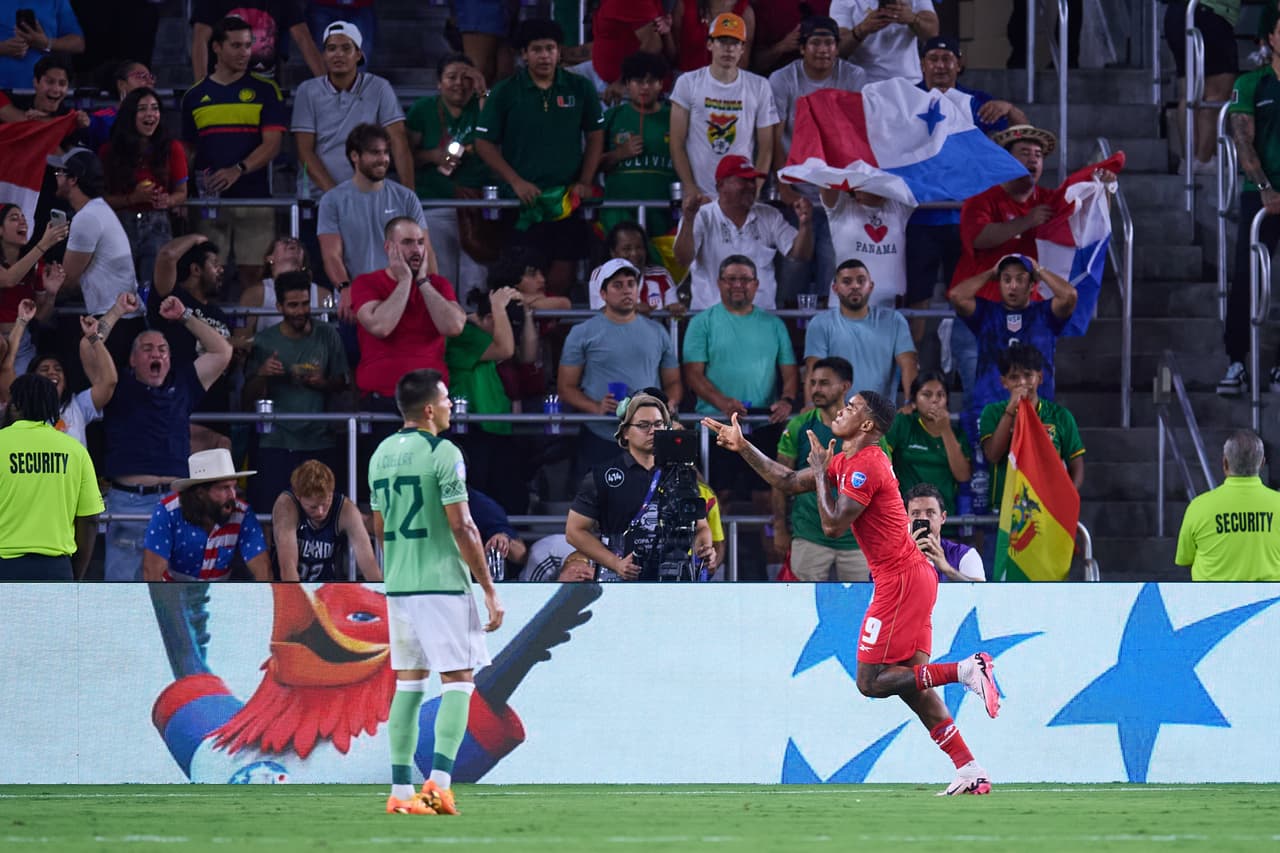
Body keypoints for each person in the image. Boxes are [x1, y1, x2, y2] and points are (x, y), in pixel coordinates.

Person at [704, 389, 1000, 795]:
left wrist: (824, 472)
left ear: (866, 424)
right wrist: (742, 447)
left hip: (899, 580)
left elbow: (832, 526)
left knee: (871, 681)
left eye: (851, 406)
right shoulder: (846, 462)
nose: (841, 409)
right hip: (912, 577)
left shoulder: (867, 464)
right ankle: (969, 768)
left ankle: (966, 670)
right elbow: (788, 481)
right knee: (912, 686)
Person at [369, 368, 503, 817]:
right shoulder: (443, 451)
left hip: (400, 583)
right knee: (459, 682)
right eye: (446, 400)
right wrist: (488, 588)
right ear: (429, 409)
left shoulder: (380, 454)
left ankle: (399, 790)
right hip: (442, 582)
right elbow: (462, 523)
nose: (450, 406)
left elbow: (380, 525)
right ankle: (439, 786)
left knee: (408, 684)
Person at [102, 295, 233, 582]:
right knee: (122, 595)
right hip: (128, 503)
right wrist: (115, 312)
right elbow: (90, 347)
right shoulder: (115, 384)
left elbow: (222, 351)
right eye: (147, 350)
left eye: (162, 350)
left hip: (176, 503)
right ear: (133, 359)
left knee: (179, 595)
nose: (156, 355)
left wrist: (185, 315)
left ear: (170, 359)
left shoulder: (183, 381)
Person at [906, 36, 1026, 344]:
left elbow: (1026, 141)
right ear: (921, 65)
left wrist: (1009, 109)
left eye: (947, 59)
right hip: (919, 218)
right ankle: (912, 367)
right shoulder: (905, 100)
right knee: (916, 297)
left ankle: (964, 364)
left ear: (960, 65)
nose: (940, 65)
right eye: (933, 58)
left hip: (966, 222)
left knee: (966, 297)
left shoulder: (976, 102)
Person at [474, 18, 604, 300]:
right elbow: (483, 142)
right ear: (524, 54)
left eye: (550, 48)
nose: (545, 56)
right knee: (522, 285)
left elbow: (596, 134)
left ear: (559, 52)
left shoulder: (579, 87)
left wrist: (585, 180)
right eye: (537, 49)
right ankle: (523, 344)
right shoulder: (505, 91)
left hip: (567, 202)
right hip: (522, 204)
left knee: (561, 283)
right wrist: (516, 181)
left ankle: (555, 344)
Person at [180, 16, 286, 301]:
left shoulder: (266, 91)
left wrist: (238, 169)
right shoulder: (194, 96)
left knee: (255, 275)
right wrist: (182, 190)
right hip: (207, 200)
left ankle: (249, 340)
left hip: (254, 200)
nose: (245, 52)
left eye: (249, 46)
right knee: (207, 276)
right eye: (236, 45)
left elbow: (273, 144)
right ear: (216, 47)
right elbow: (186, 152)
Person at [565, 392, 716, 581]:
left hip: (672, 579)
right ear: (625, 432)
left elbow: (701, 527)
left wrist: (704, 550)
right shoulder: (602, 475)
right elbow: (574, 531)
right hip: (619, 578)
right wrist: (615, 563)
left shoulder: (682, 474)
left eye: (658, 424)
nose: (652, 431)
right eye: (643, 425)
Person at [684, 254, 799, 498]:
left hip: (763, 425)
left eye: (745, 279)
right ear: (719, 282)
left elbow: (789, 371)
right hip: (716, 427)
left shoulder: (774, 324)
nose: (738, 285)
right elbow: (693, 375)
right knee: (716, 501)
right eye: (731, 279)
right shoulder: (701, 322)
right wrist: (723, 404)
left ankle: (772, 539)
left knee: (766, 501)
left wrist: (787, 400)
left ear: (756, 284)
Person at [769, 15, 866, 298]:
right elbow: (773, 136)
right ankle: (787, 339)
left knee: (832, 277)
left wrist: (850, 187)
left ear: (837, 47)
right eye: (816, 43)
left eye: (830, 43)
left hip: (838, 195)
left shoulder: (853, 76)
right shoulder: (783, 78)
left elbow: (856, 135)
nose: (823, 49)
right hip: (796, 192)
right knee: (791, 275)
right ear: (802, 48)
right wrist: (783, 187)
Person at [557, 258, 682, 469]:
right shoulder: (582, 333)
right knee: (595, 500)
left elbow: (674, 382)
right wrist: (595, 406)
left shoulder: (658, 331)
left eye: (631, 284)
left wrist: (669, 404)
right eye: (617, 285)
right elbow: (565, 387)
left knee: (648, 500)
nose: (626, 290)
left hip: (648, 436)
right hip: (601, 434)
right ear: (603, 294)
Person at [244, 269, 350, 512]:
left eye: (304, 304)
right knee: (271, 514)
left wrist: (323, 382)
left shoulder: (327, 335)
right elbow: (246, 400)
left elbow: (344, 383)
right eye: (293, 305)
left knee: (322, 514)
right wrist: (263, 373)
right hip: (275, 441)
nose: (301, 311)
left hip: (319, 440)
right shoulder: (264, 341)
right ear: (279, 306)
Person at [949, 254, 1077, 439]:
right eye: (1006, 279)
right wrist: (990, 273)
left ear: (1032, 284)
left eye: (1020, 279)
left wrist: (1039, 271)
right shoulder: (986, 313)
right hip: (990, 407)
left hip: (1036, 408)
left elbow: (1069, 296)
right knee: (991, 465)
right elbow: (956, 296)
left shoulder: (1045, 313)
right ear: (998, 283)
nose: (1013, 286)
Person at [1220, 12, 1280, 397]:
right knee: (1247, 274)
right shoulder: (1252, 83)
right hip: (1261, 196)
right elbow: (1243, 142)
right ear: (1271, 37)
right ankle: (1236, 361)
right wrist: (1265, 187)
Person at [406, 52, 494, 311]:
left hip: (476, 206)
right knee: (439, 278)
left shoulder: (481, 105)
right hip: (436, 203)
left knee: (475, 281)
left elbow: (495, 134)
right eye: (451, 77)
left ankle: (474, 343)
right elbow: (406, 156)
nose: (459, 83)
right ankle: (443, 343)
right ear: (438, 83)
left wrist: (483, 92)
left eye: (466, 77)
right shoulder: (423, 109)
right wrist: (433, 155)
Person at [352, 216, 465, 411]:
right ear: (389, 248)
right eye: (407, 243)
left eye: (420, 243)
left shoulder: (438, 285)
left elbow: (454, 327)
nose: (416, 250)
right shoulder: (366, 283)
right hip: (383, 400)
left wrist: (422, 282)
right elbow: (381, 327)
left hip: (430, 400)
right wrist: (404, 281)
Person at [318, 123, 428, 321]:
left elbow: (425, 249)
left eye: (386, 152)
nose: (383, 159)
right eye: (375, 153)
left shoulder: (407, 198)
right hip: (357, 299)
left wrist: (429, 290)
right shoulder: (332, 201)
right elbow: (331, 255)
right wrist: (345, 288)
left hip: (401, 295)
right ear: (355, 156)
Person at [675, 154, 812, 311]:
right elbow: (683, 259)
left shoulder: (770, 215)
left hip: (760, 319)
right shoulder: (701, 215)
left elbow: (801, 254)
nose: (751, 186)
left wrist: (805, 225)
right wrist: (688, 220)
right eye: (743, 180)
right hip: (713, 318)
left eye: (752, 180)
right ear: (721, 185)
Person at [773, 356, 867, 581]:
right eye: (812, 382)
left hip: (858, 540)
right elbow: (779, 480)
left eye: (824, 383)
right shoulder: (798, 425)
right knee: (801, 611)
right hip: (809, 536)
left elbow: (883, 481)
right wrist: (780, 527)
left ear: (845, 386)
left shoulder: (865, 428)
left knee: (860, 612)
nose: (815, 389)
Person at [0, 373, 102, 580]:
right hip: (56, 568)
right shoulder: (75, 451)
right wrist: (75, 575)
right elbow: (90, 519)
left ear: (15, 405)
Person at [292, 20, 412, 194]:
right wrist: (337, 196)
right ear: (324, 55)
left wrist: (410, 196)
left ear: (359, 55)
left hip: (369, 194)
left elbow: (398, 140)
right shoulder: (307, 90)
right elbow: (304, 152)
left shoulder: (379, 87)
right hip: (319, 197)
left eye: (346, 48)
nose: (338, 54)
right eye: (331, 48)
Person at [670, 13, 778, 199]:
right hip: (700, 195)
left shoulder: (760, 86)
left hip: (741, 194)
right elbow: (676, 142)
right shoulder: (687, 82)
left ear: (743, 48)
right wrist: (691, 188)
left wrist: (755, 189)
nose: (729, 49)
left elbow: (766, 146)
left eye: (735, 43)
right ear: (710, 44)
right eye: (722, 41)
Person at [446, 285, 532, 514]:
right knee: (478, 502)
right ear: (486, 318)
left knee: (512, 501)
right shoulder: (463, 334)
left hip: (498, 428)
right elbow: (505, 349)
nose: (506, 330)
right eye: (499, 320)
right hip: (471, 430)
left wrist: (528, 310)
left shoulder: (482, 333)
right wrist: (497, 306)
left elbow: (528, 355)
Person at [149, 234, 235, 453]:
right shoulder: (173, 299)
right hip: (186, 413)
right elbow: (167, 256)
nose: (221, 270)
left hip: (219, 413)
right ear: (196, 270)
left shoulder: (219, 313)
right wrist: (196, 238)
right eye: (214, 264)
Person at [1, 295, 122, 447]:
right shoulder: (21, 404)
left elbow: (109, 381)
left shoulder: (78, 406)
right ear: (32, 380)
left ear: (65, 382)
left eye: (58, 369)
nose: (52, 373)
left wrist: (93, 338)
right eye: (44, 370)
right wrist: (21, 321)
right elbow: (6, 366)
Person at [978, 343, 1085, 513]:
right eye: (1014, 377)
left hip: (1047, 510)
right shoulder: (992, 412)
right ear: (1003, 382)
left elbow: (1076, 465)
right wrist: (1010, 411)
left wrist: (1066, 498)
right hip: (1004, 511)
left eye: (1028, 375)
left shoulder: (1061, 416)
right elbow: (993, 454)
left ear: (1040, 378)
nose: (1022, 383)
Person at [100, 87, 188, 290]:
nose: (150, 114)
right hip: (120, 223)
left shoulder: (172, 147)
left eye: (155, 108)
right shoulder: (109, 151)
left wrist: (168, 200)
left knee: (154, 289)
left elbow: (181, 193)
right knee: (119, 289)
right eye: (142, 109)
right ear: (131, 114)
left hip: (158, 224)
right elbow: (100, 200)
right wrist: (133, 198)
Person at [142, 448, 271, 582]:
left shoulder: (242, 513)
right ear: (200, 493)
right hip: (173, 592)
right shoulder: (168, 512)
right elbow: (152, 571)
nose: (232, 495)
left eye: (233, 487)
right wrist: (163, 602)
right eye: (224, 488)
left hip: (220, 594)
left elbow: (262, 568)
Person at [803, 259, 917, 406]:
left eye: (861, 281)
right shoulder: (820, 323)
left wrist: (911, 402)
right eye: (847, 281)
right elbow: (813, 369)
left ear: (870, 286)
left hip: (881, 417)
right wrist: (810, 408)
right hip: (836, 417)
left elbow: (908, 364)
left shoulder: (894, 320)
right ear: (835, 288)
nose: (855, 286)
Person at [1175, 429, 1280, 581]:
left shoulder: (1198, 507)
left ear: (1225, 463)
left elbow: (1185, 560)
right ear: (1262, 463)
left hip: (1211, 603)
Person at [598, 51, 679, 241]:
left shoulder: (675, 118)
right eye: (637, 81)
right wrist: (619, 154)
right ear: (626, 84)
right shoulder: (612, 117)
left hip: (664, 214)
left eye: (651, 81)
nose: (644, 87)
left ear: (661, 84)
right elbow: (591, 165)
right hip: (618, 213)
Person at [273, 459, 380, 581]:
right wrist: (298, 599)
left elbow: (369, 564)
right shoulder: (286, 506)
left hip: (327, 590)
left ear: (331, 493)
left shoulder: (345, 509)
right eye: (313, 507)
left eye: (325, 503)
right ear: (298, 496)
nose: (320, 511)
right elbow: (288, 568)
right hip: (287, 590)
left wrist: (383, 598)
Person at [884, 370, 971, 514]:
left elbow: (963, 476)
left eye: (941, 395)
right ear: (914, 402)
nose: (935, 400)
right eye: (927, 394)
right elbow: (882, 460)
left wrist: (946, 430)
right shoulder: (903, 424)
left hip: (944, 519)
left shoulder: (957, 434)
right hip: (907, 518)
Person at [0, 203, 67, 375]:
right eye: (14, 218)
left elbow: (41, 318)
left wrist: (51, 293)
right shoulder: (36, 255)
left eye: (24, 217)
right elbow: (8, 279)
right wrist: (44, 244)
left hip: (22, 343)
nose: (22, 222)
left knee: (24, 395)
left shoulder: (36, 265)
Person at [820, 186, 913, 309]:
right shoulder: (841, 207)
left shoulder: (897, 206)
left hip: (892, 312)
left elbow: (915, 176)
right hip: (847, 311)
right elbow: (826, 177)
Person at [190, 0, 324, 82]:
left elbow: (304, 39)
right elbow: (200, 39)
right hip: (223, 84)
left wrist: (329, 86)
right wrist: (201, 88)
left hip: (266, 85)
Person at [832, 0, 938, 84]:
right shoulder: (843, 1)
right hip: (865, 84)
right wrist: (862, 29)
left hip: (909, 81)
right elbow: (839, 49)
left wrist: (914, 19)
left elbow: (933, 34)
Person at [589, 221, 683, 316]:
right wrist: (632, 309)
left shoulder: (662, 275)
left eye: (639, 247)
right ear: (613, 252)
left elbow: (675, 315)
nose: (634, 253)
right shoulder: (601, 274)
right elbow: (600, 314)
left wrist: (673, 310)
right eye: (627, 249)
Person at [905, 482, 985, 582]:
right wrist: (907, 561)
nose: (923, 518)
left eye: (930, 513)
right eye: (915, 513)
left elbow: (980, 593)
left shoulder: (964, 554)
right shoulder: (893, 556)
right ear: (906, 519)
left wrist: (947, 570)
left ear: (943, 518)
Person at [0, 0, 84, 90]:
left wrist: (46, 43)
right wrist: (2, 48)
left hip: (45, 92)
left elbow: (78, 43)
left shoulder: (57, 2)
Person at [590, 0, 676, 88]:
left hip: (631, 90)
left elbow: (653, 46)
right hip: (601, 75)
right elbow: (608, 40)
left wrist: (622, 82)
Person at [84, 61, 156, 152]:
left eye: (151, 77)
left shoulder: (155, 119)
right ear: (122, 84)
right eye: (142, 76)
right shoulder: (99, 120)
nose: (150, 82)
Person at [672, 0, 755, 72]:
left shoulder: (745, 13)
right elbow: (674, 51)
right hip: (686, 79)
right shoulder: (685, 4)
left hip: (725, 83)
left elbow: (742, 63)